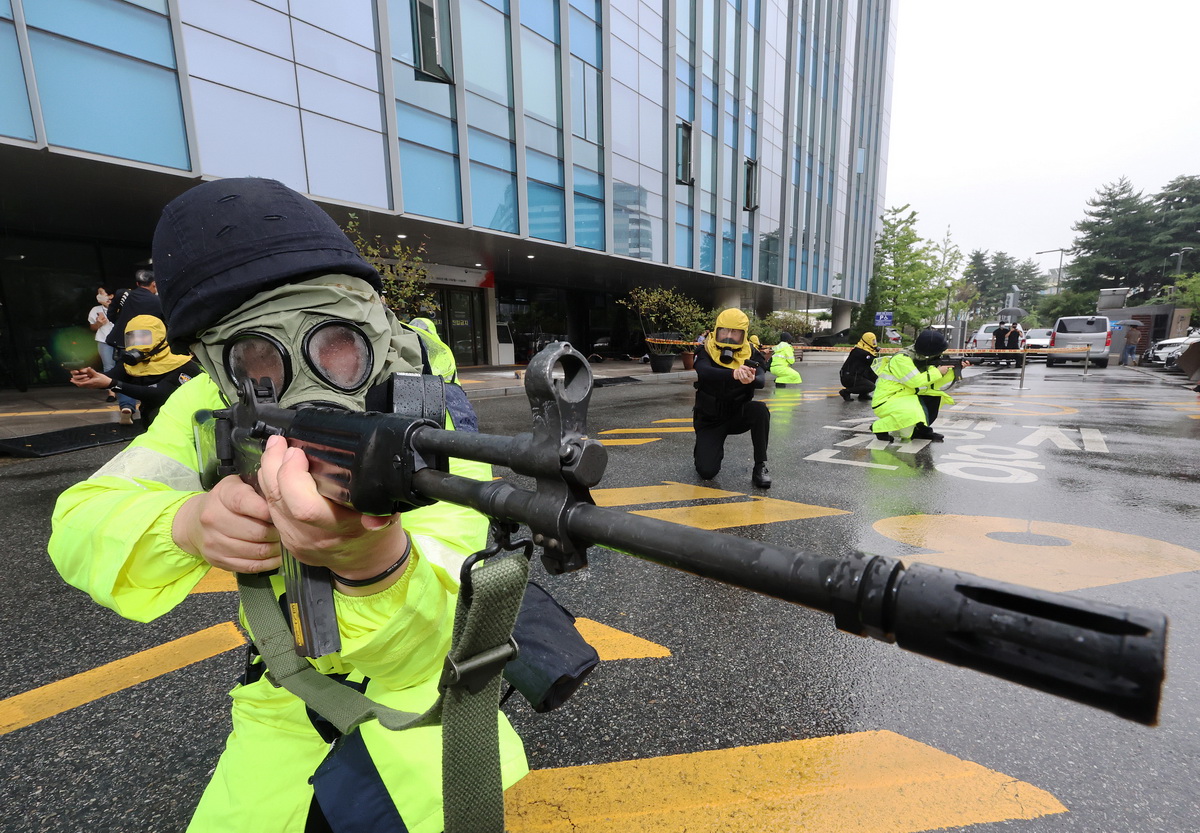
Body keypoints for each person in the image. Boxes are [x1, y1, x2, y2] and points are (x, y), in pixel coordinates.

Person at [48, 177, 527, 830]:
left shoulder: (424, 411)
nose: (314, 381)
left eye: (340, 342)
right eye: (258, 359)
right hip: (278, 716)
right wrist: (186, 525)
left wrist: (374, 561)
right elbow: (81, 521)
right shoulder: (203, 407)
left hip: (426, 721)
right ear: (221, 369)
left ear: (374, 323)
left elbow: (447, 630)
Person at [69, 312, 202, 428]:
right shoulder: (134, 363)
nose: (137, 341)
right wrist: (88, 376)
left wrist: (113, 384)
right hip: (154, 423)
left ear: (159, 337)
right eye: (132, 337)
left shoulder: (182, 364)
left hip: (187, 422)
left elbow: (158, 394)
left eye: (143, 336)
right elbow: (111, 376)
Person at [692, 308, 771, 488]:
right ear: (717, 330)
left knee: (760, 411)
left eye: (734, 332)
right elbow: (703, 370)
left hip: (737, 414)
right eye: (724, 330)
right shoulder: (706, 349)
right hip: (710, 418)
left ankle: (760, 466)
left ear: (743, 334)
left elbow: (760, 379)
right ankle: (704, 449)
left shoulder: (749, 352)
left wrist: (751, 378)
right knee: (706, 472)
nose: (728, 335)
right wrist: (733, 374)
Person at [870, 329, 957, 443]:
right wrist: (938, 371)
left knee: (933, 397)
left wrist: (953, 371)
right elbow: (915, 381)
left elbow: (932, 382)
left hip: (905, 396)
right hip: (887, 400)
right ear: (930, 351)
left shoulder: (921, 357)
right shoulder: (901, 360)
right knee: (911, 416)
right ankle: (879, 427)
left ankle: (921, 430)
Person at [105, 269, 165, 423]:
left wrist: (121, 324)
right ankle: (150, 406)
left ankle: (126, 406)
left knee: (125, 371)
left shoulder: (123, 294)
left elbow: (111, 314)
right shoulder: (158, 301)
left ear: (137, 284)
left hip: (124, 339)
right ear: (153, 284)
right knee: (147, 374)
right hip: (148, 342)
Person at [838, 331, 878, 401]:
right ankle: (846, 392)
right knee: (871, 386)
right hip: (848, 377)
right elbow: (872, 360)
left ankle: (863, 394)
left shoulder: (866, 350)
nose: (874, 343)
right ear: (867, 341)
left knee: (873, 374)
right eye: (872, 341)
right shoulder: (859, 351)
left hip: (856, 375)